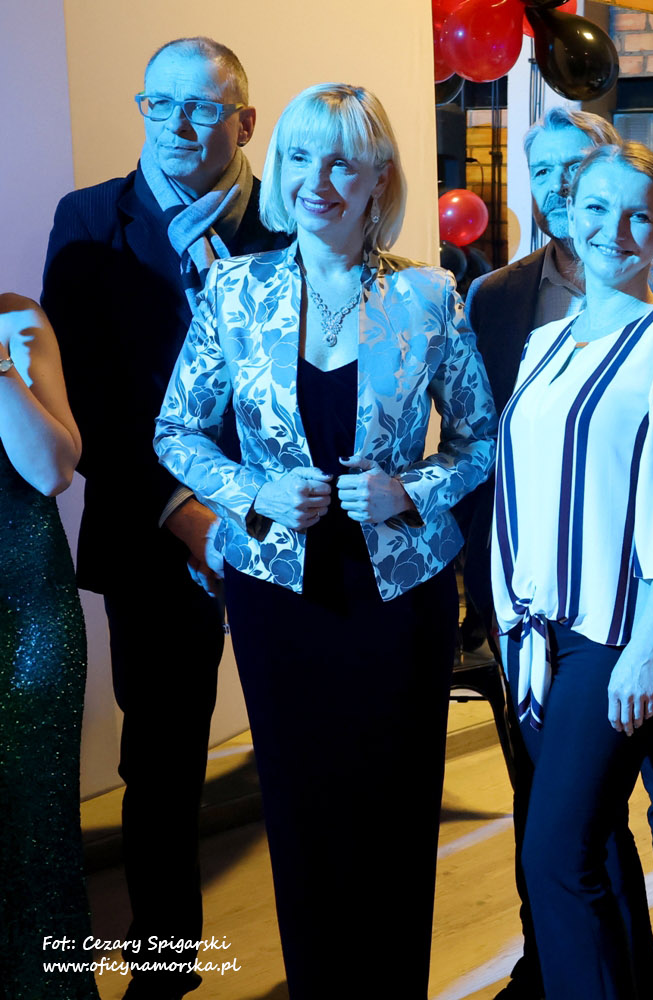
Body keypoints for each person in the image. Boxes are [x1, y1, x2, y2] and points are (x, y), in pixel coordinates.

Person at [153, 82, 497, 997]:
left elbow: (482, 442)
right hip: (278, 599)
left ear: (379, 177)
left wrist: (408, 490)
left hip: (401, 601)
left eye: (343, 161)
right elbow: (176, 432)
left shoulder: (428, 296)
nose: (317, 180)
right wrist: (254, 490)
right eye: (300, 157)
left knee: (394, 819)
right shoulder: (234, 291)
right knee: (302, 820)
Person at [40, 36, 289, 1000]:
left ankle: (325, 952)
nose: (177, 125)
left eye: (202, 107)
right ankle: (165, 965)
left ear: (245, 121)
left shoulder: (288, 217)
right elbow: (89, 396)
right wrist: (184, 513)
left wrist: (261, 508)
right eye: (159, 104)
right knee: (161, 762)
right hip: (153, 534)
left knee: (303, 745)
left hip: (282, 528)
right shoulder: (90, 221)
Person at [466, 108, 653, 1000]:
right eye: (595, 209)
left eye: (636, 217)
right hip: (537, 633)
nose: (613, 231)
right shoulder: (543, 342)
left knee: (556, 855)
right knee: (600, 854)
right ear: (567, 213)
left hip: (616, 634)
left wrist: (647, 648)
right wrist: (509, 620)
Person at [0, 295, 95, 1000]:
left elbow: (53, 471)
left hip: (30, 614)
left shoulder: (17, 321)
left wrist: (1, 369)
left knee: (37, 831)